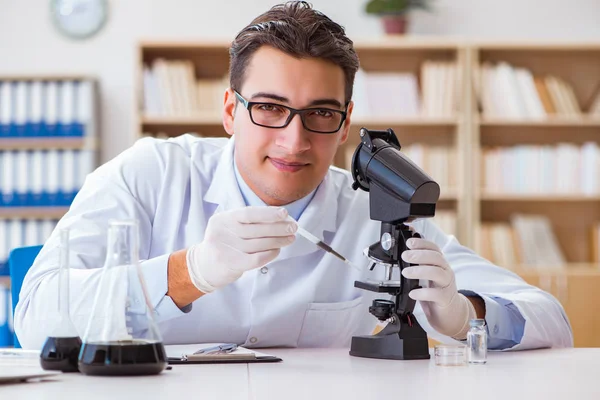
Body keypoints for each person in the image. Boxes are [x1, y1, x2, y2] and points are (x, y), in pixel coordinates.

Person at [15, 1, 572, 350]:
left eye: (321, 113)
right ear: (230, 110)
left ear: (347, 122)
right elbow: (37, 316)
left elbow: (552, 320)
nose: (294, 139)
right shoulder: (151, 174)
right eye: (270, 107)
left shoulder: (373, 214)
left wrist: (462, 314)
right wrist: (188, 273)